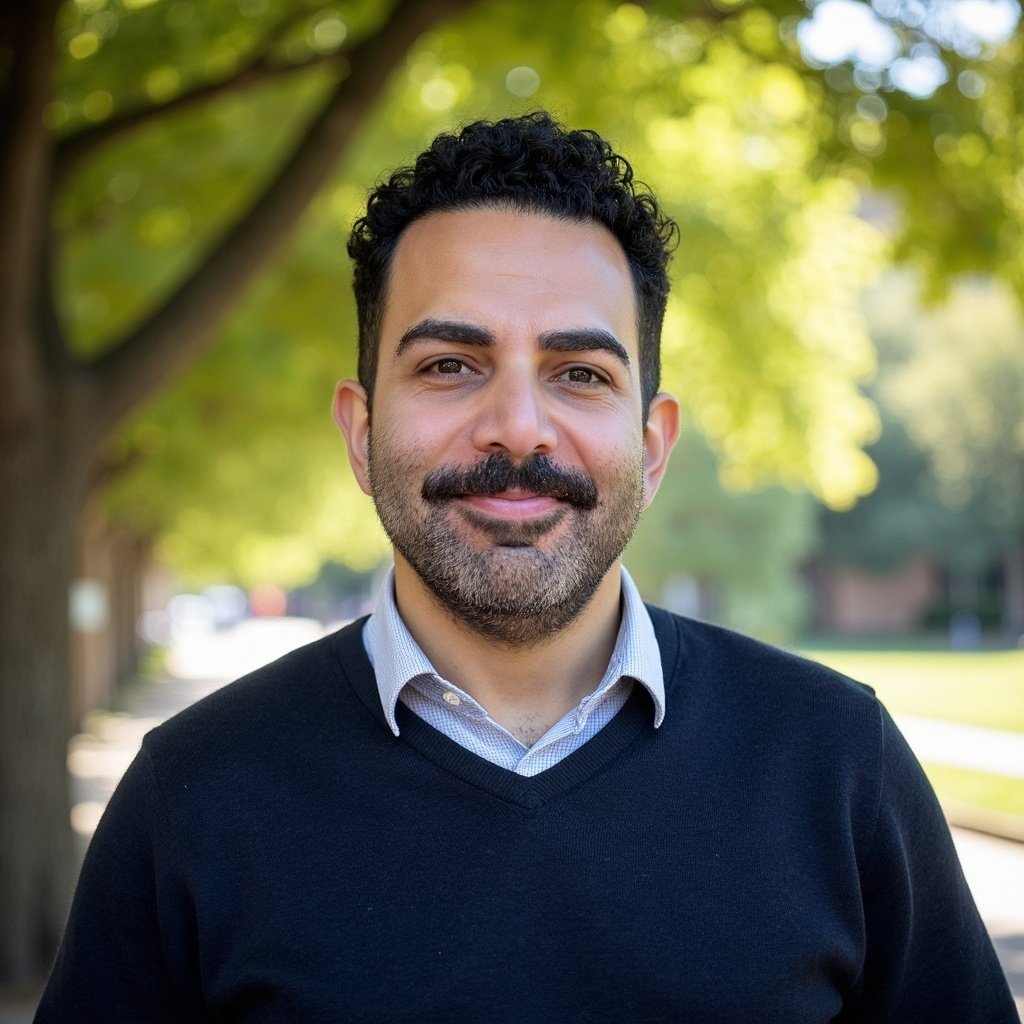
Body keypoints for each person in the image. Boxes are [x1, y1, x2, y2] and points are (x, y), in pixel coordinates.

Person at [37, 113, 1016, 1022]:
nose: (515, 426)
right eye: (449, 365)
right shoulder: (195, 796)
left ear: (653, 442)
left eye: (580, 373)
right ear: (361, 429)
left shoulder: (837, 767)